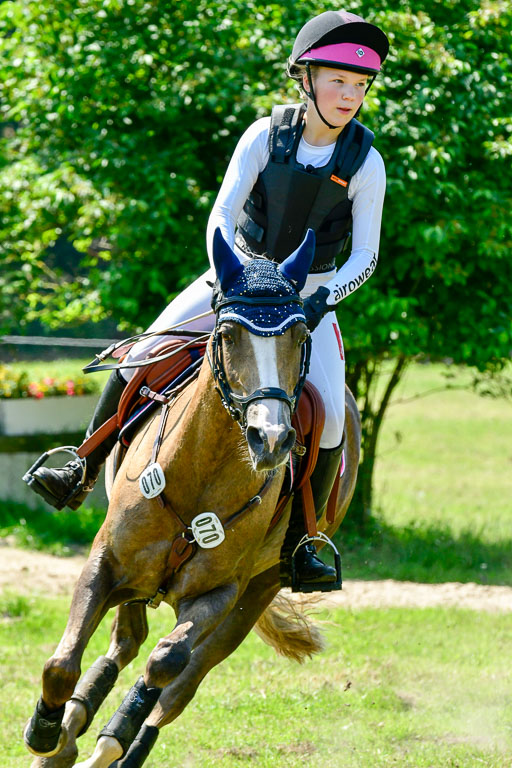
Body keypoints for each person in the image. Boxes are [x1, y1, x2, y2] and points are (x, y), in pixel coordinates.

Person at [24, 10, 389, 587]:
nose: (350, 96)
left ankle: (303, 543)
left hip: (308, 295)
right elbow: (222, 213)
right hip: (236, 277)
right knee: (143, 351)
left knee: (333, 420)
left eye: (360, 86)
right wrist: (232, 275)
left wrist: (323, 298)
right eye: (338, 81)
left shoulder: (367, 162)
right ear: (307, 78)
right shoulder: (264, 137)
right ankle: (82, 465)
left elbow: (365, 255)